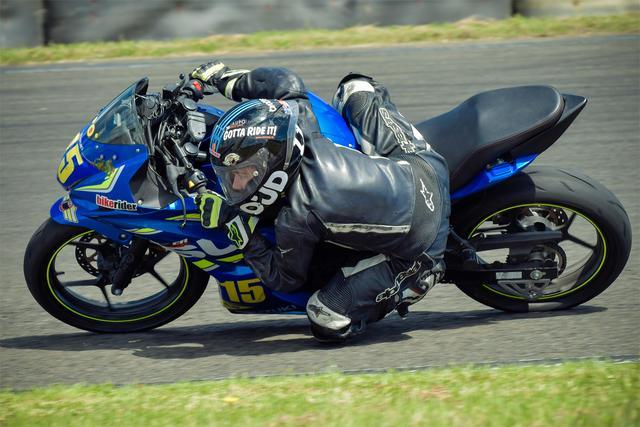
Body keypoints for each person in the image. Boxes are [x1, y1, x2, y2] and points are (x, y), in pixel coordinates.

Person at [190, 61, 451, 342]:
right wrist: (225, 79)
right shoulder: (302, 130)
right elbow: (286, 83)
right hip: (419, 164)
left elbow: (284, 279)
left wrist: (239, 230)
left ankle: (418, 279)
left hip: (421, 245)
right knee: (354, 86)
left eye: (242, 174)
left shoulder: (297, 216)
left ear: (272, 168)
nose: (235, 185)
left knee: (325, 316)